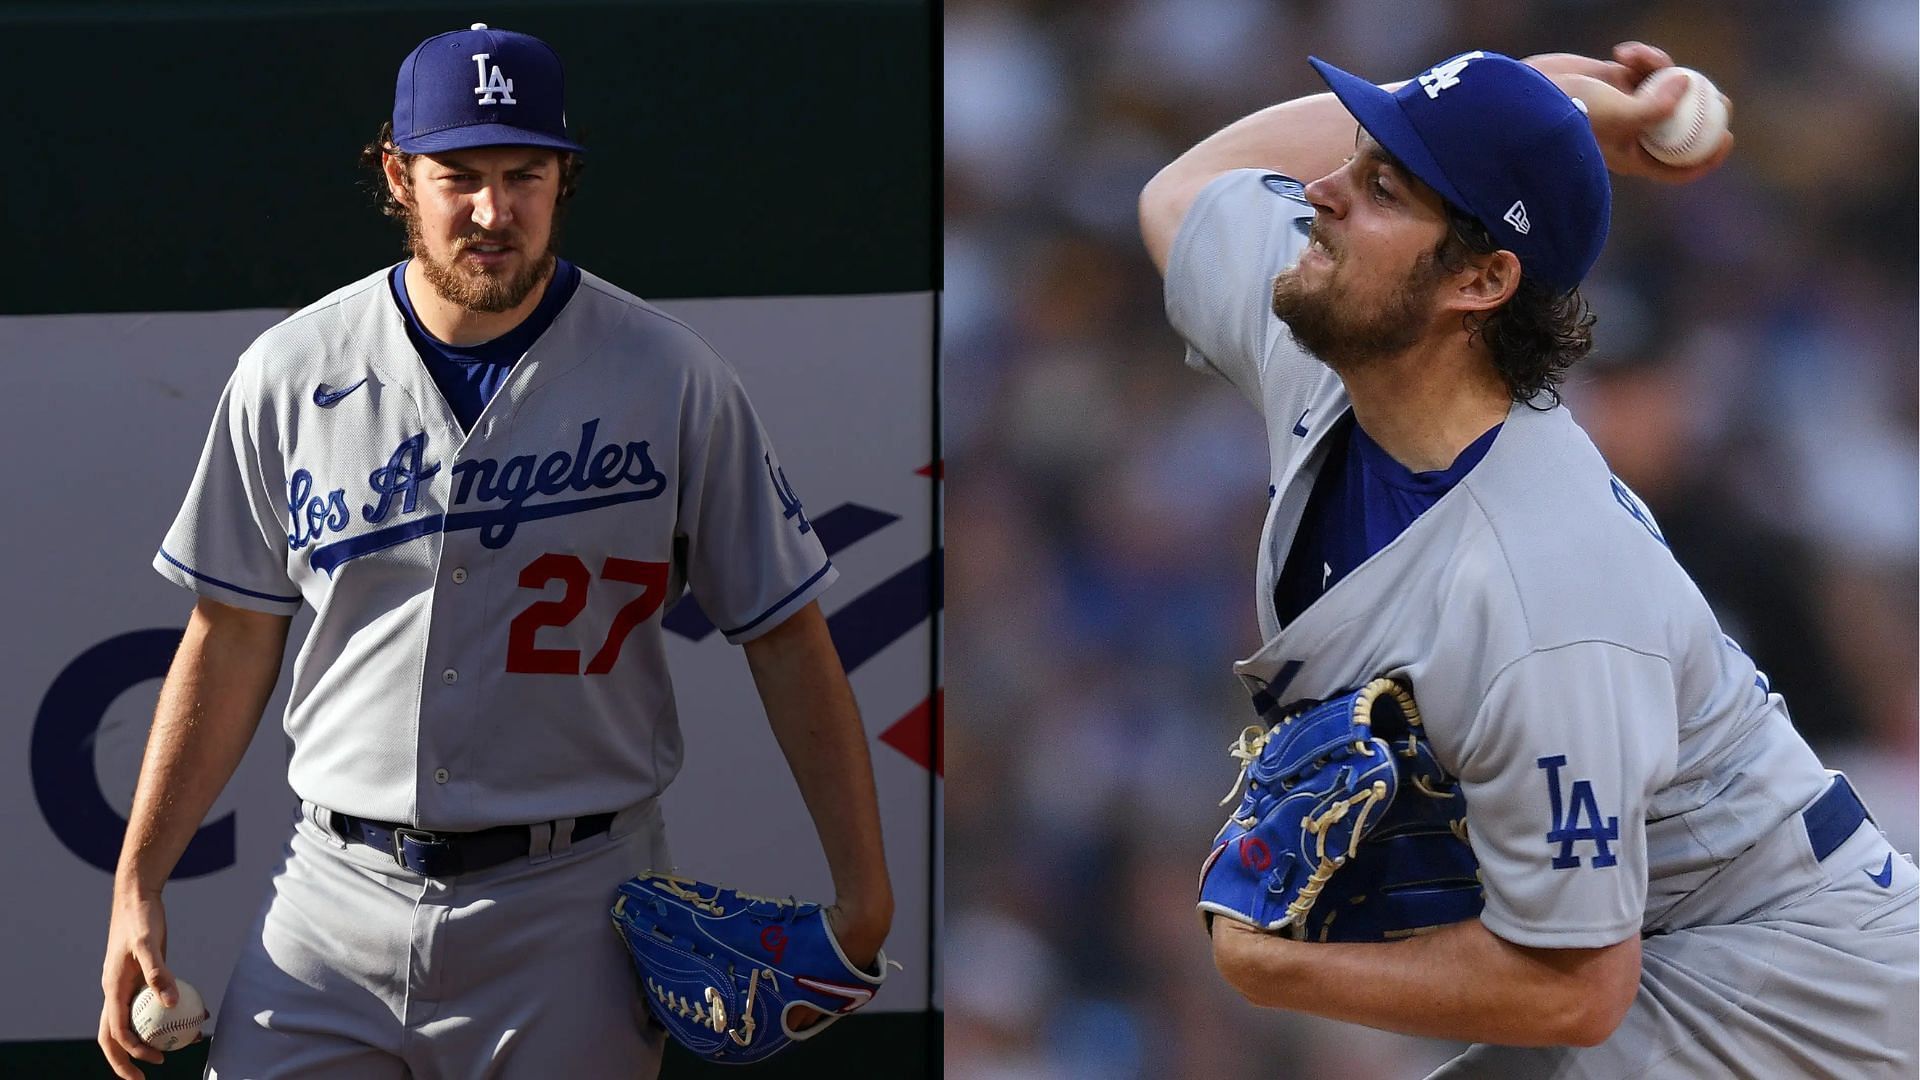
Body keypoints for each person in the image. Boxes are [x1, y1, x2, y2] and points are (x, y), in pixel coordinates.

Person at [97, 22, 892, 1079]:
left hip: (571, 905)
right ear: (397, 174)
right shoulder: (291, 372)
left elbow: (786, 639)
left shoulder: (670, 377)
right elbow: (231, 636)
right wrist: (137, 883)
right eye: (457, 175)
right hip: (333, 897)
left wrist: (867, 892)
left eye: (524, 173)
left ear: (564, 177)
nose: (492, 209)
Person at [1139, 42, 1917, 1077]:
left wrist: (1270, 964)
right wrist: (1542, 106)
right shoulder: (1343, 337)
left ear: (1483, 278)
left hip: (1798, 991)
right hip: (1668, 947)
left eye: (1380, 184)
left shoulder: (1540, 589)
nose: (1316, 191)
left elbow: (1576, 988)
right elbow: (1181, 191)